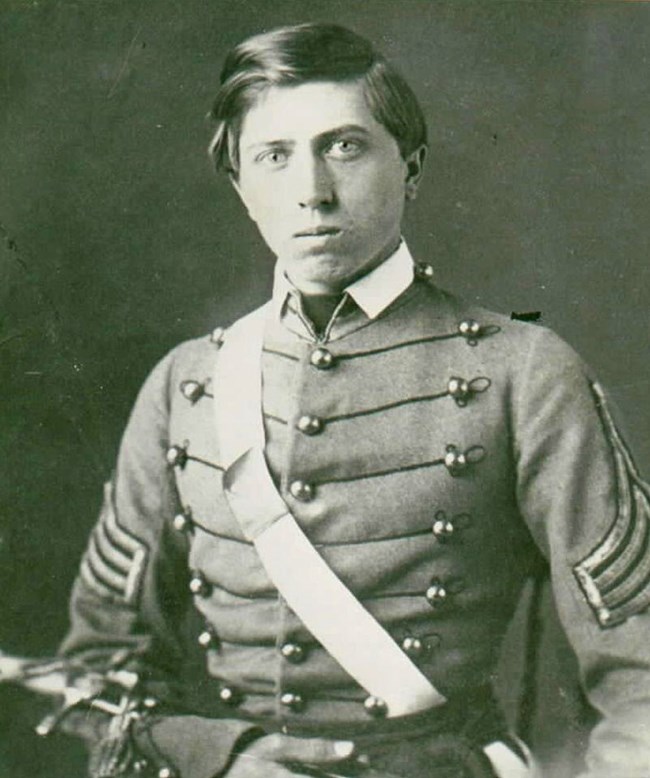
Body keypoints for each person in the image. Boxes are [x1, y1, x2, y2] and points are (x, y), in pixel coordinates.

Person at [51, 22, 650, 778]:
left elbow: (644, 678)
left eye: (344, 146)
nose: (312, 191)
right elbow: (95, 671)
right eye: (274, 157)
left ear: (411, 166)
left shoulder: (525, 374)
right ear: (241, 187)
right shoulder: (186, 385)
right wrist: (222, 758)